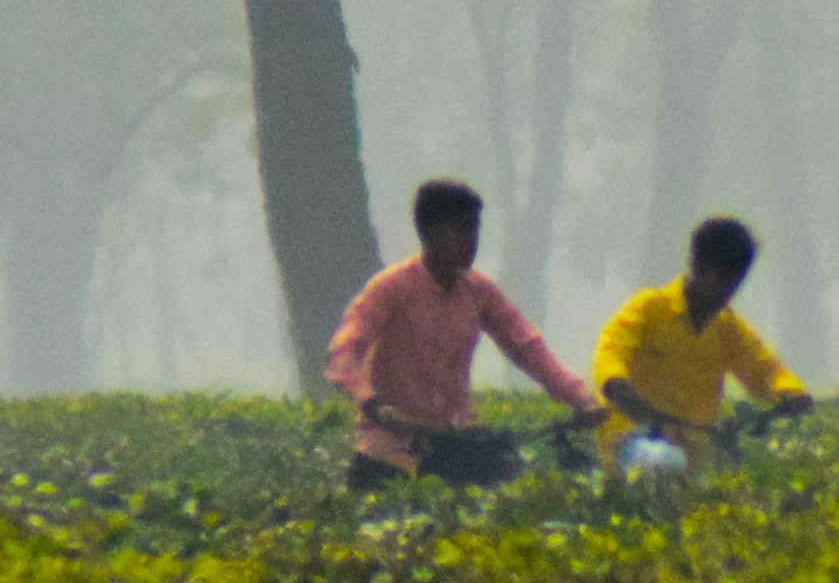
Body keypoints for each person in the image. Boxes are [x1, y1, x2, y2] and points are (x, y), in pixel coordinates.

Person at [322, 179, 598, 492]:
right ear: (428, 232)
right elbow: (344, 353)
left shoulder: (479, 292)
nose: (472, 241)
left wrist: (581, 399)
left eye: (476, 230)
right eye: (462, 229)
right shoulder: (390, 289)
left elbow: (525, 346)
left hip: (458, 443)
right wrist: (376, 407)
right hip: (391, 451)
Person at [591, 214, 811, 476]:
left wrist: (790, 392)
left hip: (696, 450)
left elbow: (765, 371)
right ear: (694, 264)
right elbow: (610, 356)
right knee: (663, 463)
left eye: (733, 282)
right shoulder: (649, 308)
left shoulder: (727, 327)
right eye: (718, 278)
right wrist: (622, 391)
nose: (724, 292)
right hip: (633, 441)